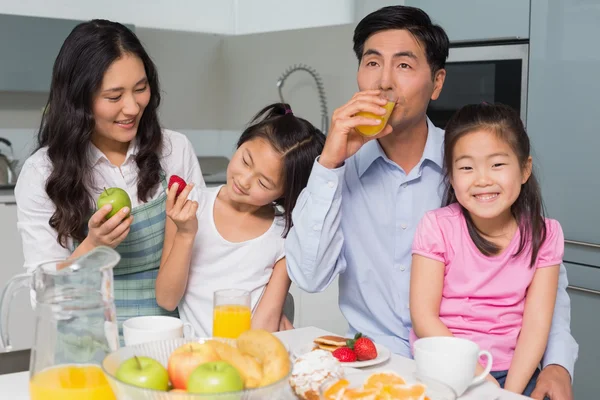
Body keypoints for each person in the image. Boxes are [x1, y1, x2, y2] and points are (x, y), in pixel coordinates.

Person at [285, 6, 577, 399]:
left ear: (437, 82)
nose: (384, 81)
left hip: (482, 375)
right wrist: (330, 163)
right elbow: (307, 276)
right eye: (372, 62)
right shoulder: (337, 170)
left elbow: (541, 272)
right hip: (378, 371)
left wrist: (558, 364)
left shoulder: (477, 167)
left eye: (404, 65)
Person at [14, 20, 204, 329]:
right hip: (84, 343)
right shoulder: (41, 174)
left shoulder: (174, 150)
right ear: (78, 101)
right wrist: (93, 248)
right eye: (114, 97)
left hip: (163, 339)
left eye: (141, 89)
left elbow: (201, 261)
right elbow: (43, 294)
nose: (132, 107)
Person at [409, 103, 561, 396]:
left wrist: (510, 393)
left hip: (517, 370)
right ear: (452, 177)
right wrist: (481, 379)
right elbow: (423, 316)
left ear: (524, 169)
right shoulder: (437, 226)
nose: (482, 179)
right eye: (466, 167)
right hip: (447, 366)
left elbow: (536, 326)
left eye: (497, 164)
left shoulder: (546, 234)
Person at [155, 103, 325, 336]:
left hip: (246, 356)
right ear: (241, 142)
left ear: (284, 193)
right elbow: (166, 299)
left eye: (263, 183)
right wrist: (186, 233)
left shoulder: (284, 236)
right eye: (245, 161)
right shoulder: (190, 204)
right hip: (194, 357)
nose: (244, 181)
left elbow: (265, 322)